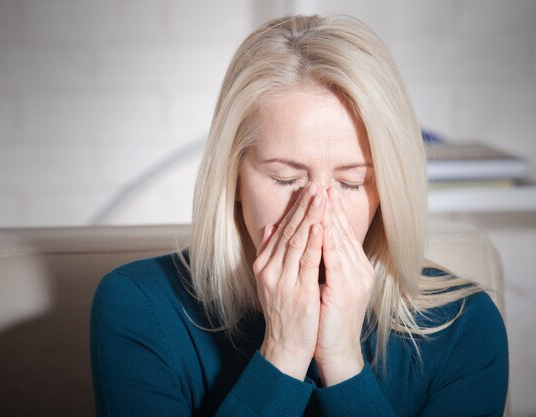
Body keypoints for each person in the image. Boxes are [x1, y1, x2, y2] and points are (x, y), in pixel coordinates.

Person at [90, 14, 508, 416]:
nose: (319, 213)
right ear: (232, 177)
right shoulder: (137, 307)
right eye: (285, 178)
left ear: (388, 191)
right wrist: (283, 355)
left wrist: (343, 364)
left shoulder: (464, 328)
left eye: (351, 182)